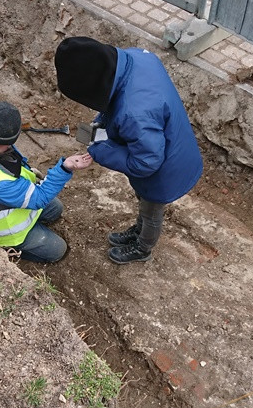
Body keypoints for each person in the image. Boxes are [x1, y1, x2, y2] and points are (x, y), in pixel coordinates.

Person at [54, 36, 203, 264]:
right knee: (144, 203)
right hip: (174, 143)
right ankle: (139, 230)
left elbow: (147, 163)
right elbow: (119, 99)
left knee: (152, 211)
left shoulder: (134, 113)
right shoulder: (135, 58)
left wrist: (99, 150)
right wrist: (101, 123)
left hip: (165, 171)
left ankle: (143, 248)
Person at [0, 101, 93, 263]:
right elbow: (40, 197)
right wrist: (66, 167)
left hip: (0, 201)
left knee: (55, 208)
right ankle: (6, 248)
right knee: (58, 249)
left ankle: (34, 224)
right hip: (4, 230)